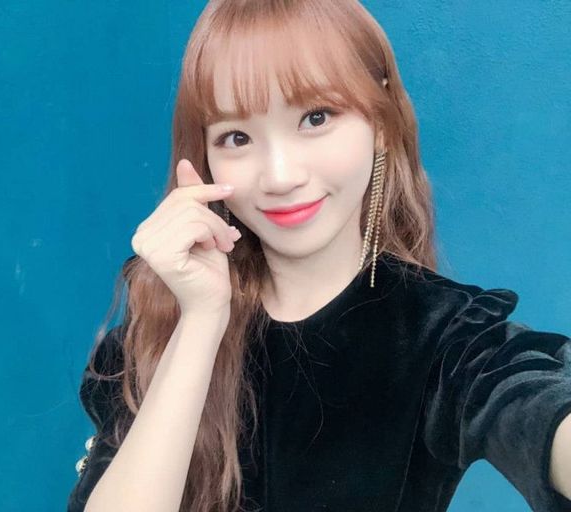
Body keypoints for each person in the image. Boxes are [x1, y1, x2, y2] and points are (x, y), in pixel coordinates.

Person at [67, 1, 571, 511]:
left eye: (315, 117)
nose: (280, 176)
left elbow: (533, 403)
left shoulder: (442, 335)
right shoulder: (161, 331)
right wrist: (200, 321)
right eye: (236, 137)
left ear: (380, 121)